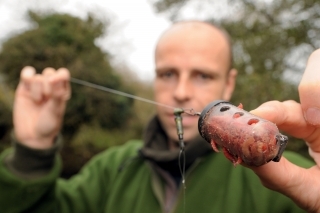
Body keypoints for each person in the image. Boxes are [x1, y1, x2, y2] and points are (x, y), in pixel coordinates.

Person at [0, 20, 319, 213]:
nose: (180, 92)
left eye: (202, 76)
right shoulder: (110, 170)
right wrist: (33, 152)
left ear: (229, 82)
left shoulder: (297, 181)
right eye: (167, 74)